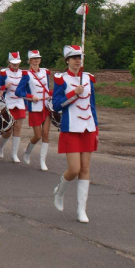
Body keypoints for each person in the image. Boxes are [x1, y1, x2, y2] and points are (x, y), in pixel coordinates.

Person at [52, 45, 98, 223]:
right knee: (74, 169)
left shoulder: (88, 78)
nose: (78, 60)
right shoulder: (60, 80)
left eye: (80, 57)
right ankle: (60, 191)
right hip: (71, 127)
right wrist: (73, 93)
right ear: (67, 60)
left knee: (85, 169)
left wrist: (97, 129)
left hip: (88, 128)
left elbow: (92, 105)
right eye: (74, 57)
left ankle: (81, 209)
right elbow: (56, 105)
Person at [15, 50, 51, 170]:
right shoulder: (26, 75)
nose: (36, 60)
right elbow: (18, 91)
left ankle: (42, 161)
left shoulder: (45, 72)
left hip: (46, 106)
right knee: (38, 135)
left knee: (46, 133)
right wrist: (31, 97)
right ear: (29, 61)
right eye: (34, 58)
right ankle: (27, 151)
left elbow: (47, 88)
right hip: (35, 108)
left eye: (38, 58)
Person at [0, 52, 26, 163]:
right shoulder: (4, 73)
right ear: (9, 62)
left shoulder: (23, 73)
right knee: (8, 130)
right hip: (8, 102)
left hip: (19, 102)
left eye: (17, 63)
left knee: (18, 128)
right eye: (13, 63)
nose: (15, 65)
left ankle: (14, 154)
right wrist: (4, 87)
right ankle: (0, 146)